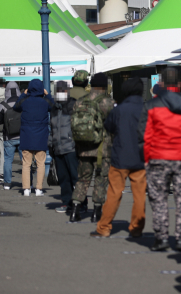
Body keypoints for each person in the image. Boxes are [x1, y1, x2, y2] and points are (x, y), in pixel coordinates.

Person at [139, 68, 181, 251]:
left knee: (159, 198)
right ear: (180, 84)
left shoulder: (152, 105)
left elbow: (145, 135)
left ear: (161, 83)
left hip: (157, 157)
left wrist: (146, 158)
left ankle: (161, 238)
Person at [91, 78, 147, 238]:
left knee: (114, 193)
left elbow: (109, 127)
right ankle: (136, 228)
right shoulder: (146, 108)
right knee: (139, 195)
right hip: (140, 156)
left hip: (120, 156)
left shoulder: (119, 109)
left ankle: (104, 228)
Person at [70, 72, 115, 223]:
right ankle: (96, 212)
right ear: (105, 86)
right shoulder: (108, 102)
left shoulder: (80, 101)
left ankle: (75, 209)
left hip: (83, 147)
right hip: (103, 148)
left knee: (82, 179)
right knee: (101, 179)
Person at [12, 79, 54, 197]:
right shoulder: (45, 102)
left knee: (26, 164)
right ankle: (39, 189)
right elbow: (55, 106)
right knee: (41, 163)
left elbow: (15, 107)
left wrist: (23, 94)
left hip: (27, 135)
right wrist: (48, 94)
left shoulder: (25, 101)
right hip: (41, 136)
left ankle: (26, 189)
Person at [48, 81, 78, 214]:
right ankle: (66, 203)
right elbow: (51, 129)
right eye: (58, 90)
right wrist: (50, 144)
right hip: (58, 148)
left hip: (71, 148)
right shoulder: (54, 108)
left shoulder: (74, 105)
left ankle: (80, 203)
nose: (60, 92)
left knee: (75, 177)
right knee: (63, 178)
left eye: (63, 90)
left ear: (67, 91)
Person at [0, 81, 23, 191]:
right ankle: (28, 184)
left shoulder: (3, 104)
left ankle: (7, 184)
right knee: (25, 161)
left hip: (8, 137)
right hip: (23, 136)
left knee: (7, 160)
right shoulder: (23, 102)